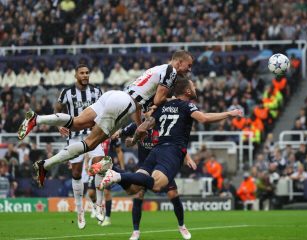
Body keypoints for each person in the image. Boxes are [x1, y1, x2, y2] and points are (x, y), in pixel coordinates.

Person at [17, 50, 193, 189]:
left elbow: (140, 104)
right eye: (188, 65)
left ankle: (37, 119)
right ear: (178, 62)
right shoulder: (171, 71)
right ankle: (45, 165)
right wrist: (175, 100)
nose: (189, 69)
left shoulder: (156, 68)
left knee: (77, 122)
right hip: (124, 104)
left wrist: (140, 126)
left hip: (115, 95)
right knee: (90, 144)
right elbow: (157, 100)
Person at [99, 77, 242, 237]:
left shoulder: (163, 107)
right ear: (187, 91)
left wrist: (133, 139)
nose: (195, 88)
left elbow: (144, 126)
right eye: (193, 86)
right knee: (157, 186)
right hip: (171, 152)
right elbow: (204, 118)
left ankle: (114, 171)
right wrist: (229, 113)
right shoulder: (187, 105)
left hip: (156, 151)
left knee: (134, 188)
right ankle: (117, 176)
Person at [92, 121, 194, 239]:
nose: (147, 111)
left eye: (150, 109)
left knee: (173, 194)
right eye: (146, 109)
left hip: (162, 167)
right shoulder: (138, 125)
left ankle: (181, 226)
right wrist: (115, 134)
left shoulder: (163, 124)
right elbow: (121, 132)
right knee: (135, 193)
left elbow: (177, 144)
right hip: (145, 166)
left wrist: (187, 157)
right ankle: (136, 232)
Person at [55, 64, 105, 229]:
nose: (85, 75)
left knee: (99, 165)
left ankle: (99, 204)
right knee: (76, 173)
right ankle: (80, 211)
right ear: (76, 75)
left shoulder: (97, 91)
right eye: (82, 73)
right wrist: (58, 125)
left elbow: (105, 110)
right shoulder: (66, 92)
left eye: (87, 73)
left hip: (94, 134)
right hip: (75, 136)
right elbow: (58, 108)